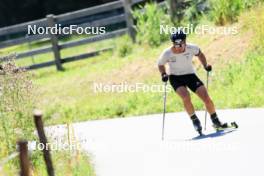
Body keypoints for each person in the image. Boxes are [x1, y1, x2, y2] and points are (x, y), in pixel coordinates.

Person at [157, 30, 226, 134]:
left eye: (181, 44)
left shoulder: (192, 48)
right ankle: (194, 119)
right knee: (186, 97)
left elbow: (200, 54)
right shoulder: (167, 53)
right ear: (173, 43)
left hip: (190, 75)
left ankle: (215, 120)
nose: (179, 47)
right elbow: (160, 64)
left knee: (206, 97)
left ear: (185, 41)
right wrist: (163, 74)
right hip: (175, 78)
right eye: (176, 44)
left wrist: (205, 65)